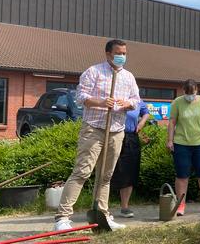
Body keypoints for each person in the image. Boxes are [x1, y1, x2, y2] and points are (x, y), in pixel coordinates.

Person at [54, 39, 140, 231]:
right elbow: (81, 97)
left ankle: (103, 215)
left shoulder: (128, 76)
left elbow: (136, 100)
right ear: (108, 54)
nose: (122, 56)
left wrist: (126, 103)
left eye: (124, 53)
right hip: (94, 127)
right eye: (118, 53)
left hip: (116, 130)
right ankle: (62, 217)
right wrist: (102, 102)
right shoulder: (93, 72)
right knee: (82, 171)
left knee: (106, 175)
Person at [166, 79, 200, 215]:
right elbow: (172, 122)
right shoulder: (177, 102)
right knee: (182, 176)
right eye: (187, 94)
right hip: (181, 144)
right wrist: (170, 140)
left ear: (196, 91)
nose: (190, 96)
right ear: (183, 91)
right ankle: (181, 204)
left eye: (192, 93)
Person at [111, 100, 150, 218]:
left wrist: (141, 122)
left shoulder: (137, 101)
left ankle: (125, 207)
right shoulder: (115, 98)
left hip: (131, 137)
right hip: (112, 134)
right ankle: (102, 207)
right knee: (109, 170)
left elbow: (146, 112)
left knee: (129, 171)